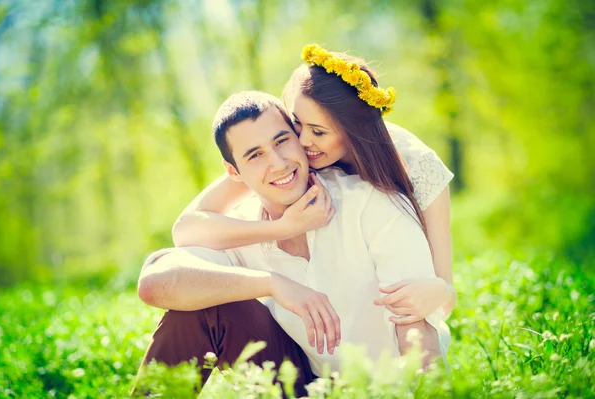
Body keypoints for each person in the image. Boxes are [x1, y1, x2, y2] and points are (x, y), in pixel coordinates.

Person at [134, 91, 448, 396]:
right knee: (198, 308)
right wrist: (272, 283)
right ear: (234, 172)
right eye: (255, 155)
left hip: (383, 389)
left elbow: (417, 333)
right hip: (299, 386)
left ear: (300, 138)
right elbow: (154, 283)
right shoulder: (238, 229)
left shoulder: (369, 203)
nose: (279, 164)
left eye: (282, 141)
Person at [172, 44, 456, 322]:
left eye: (318, 132)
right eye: (297, 123)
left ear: (351, 132)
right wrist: (284, 228)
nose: (303, 141)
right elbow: (186, 231)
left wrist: (438, 291)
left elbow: (446, 294)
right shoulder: (280, 157)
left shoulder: (416, 165)